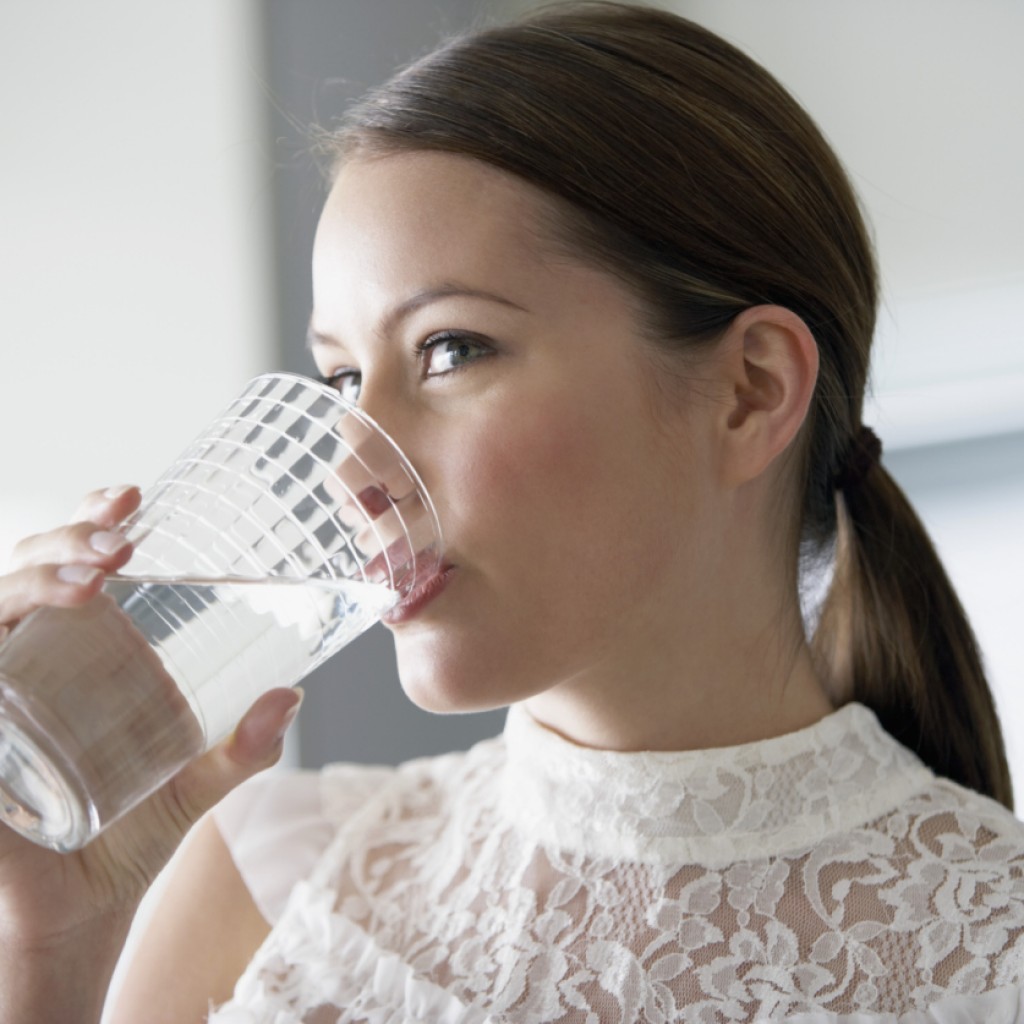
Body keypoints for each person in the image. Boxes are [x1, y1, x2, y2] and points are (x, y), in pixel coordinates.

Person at [1, 4, 1022, 1021]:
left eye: (450, 349)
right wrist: (47, 954)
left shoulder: (996, 951)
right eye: (344, 376)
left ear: (750, 390)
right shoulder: (269, 881)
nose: (349, 467)